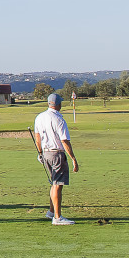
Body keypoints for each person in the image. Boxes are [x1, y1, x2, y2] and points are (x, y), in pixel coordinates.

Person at [32, 93, 79, 225]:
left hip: (46, 153)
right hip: (57, 153)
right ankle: (57, 218)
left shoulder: (40, 117)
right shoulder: (59, 119)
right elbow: (64, 141)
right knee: (57, 185)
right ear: (58, 104)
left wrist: (40, 153)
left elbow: (37, 138)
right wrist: (73, 158)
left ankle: (51, 212)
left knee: (54, 183)